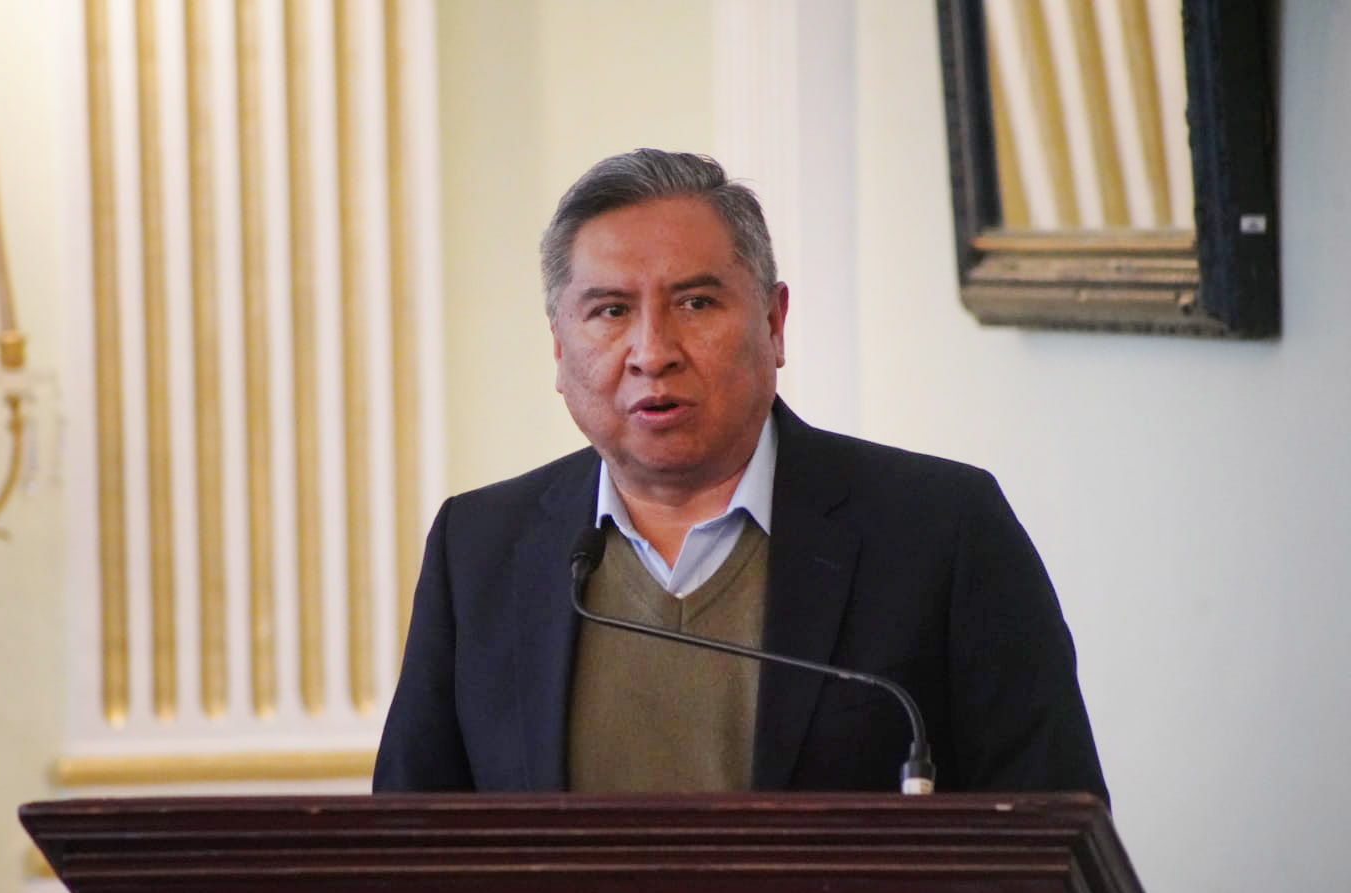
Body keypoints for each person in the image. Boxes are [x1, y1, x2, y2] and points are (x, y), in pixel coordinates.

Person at [373, 149, 1107, 800]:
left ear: (775, 322)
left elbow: (1052, 843)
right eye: (610, 311)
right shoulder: (479, 548)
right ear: (560, 350)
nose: (652, 352)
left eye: (695, 303)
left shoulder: (943, 532)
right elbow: (409, 859)